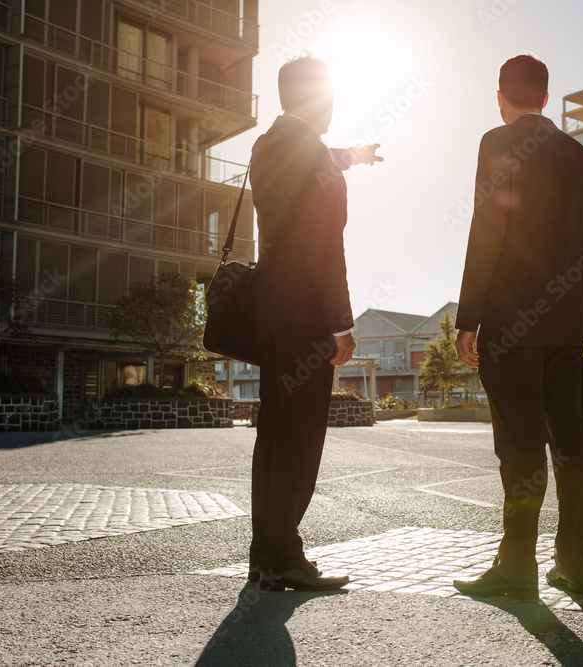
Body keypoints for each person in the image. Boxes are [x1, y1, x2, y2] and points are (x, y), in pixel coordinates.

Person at [452, 54, 583, 600]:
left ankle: (516, 568)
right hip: (564, 325)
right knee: (572, 439)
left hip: (513, 322)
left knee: (519, 445)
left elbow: (486, 231)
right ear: (544, 95)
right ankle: (573, 565)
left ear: (501, 95)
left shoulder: (498, 142)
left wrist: (469, 318)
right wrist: (576, 323)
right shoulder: (582, 159)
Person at [247, 53, 381, 591]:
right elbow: (324, 243)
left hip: (269, 308)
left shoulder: (268, 144)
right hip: (305, 312)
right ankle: (285, 556)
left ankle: (264, 553)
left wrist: (355, 156)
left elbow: (317, 163)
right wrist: (340, 322)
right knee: (300, 437)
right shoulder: (312, 153)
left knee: (274, 431)